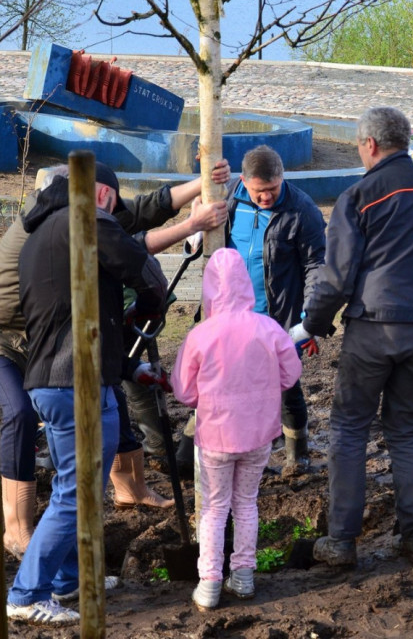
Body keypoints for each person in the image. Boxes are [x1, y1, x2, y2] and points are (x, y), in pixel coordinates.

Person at [0, 160, 229, 555]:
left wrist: (201, 184)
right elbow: (125, 249)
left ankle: (130, 487)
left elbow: (136, 212)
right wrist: (190, 227)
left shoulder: (74, 211)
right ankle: (17, 528)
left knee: (113, 391)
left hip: (44, 335)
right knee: (18, 415)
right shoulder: (49, 226)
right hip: (7, 341)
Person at [291, 106, 413, 568]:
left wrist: (312, 323)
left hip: (372, 328)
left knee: (349, 430)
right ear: (405, 141)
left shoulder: (359, 195)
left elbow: (338, 275)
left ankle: (342, 541)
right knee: (408, 431)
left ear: (369, 145)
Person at [6, 163, 167, 627]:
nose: (114, 214)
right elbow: (146, 270)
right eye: (114, 204)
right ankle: (25, 592)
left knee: (70, 486)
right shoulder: (86, 217)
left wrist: (132, 367)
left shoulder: (39, 238)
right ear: (99, 192)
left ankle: (67, 580)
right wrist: (151, 307)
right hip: (76, 384)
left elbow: (77, 320)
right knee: (77, 492)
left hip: (51, 381)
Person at [170, 247, 301, 611]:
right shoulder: (269, 328)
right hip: (259, 434)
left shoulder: (200, 334)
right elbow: (291, 374)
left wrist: (207, 398)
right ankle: (243, 576)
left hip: (215, 438)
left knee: (213, 508)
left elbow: (183, 390)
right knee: (246, 503)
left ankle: (209, 583)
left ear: (210, 287)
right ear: (246, 284)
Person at [224, 145, 325, 474]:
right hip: (233, 317)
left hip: (278, 318)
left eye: (272, 190)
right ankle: (251, 451)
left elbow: (315, 265)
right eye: (259, 191)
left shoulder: (302, 210)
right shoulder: (229, 199)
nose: (266, 197)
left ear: (283, 179)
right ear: (243, 182)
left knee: (284, 383)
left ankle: (298, 452)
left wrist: (310, 316)